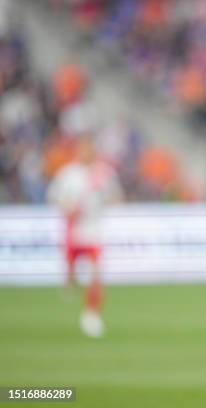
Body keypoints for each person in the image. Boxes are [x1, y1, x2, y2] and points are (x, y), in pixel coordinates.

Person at [47, 135, 122, 338]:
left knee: (97, 273)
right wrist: (68, 209)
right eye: (82, 148)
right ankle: (71, 287)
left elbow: (117, 197)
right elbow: (55, 198)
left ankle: (91, 313)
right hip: (74, 230)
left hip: (94, 230)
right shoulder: (68, 174)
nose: (86, 152)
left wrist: (104, 196)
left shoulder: (103, 173)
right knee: (70, 280)